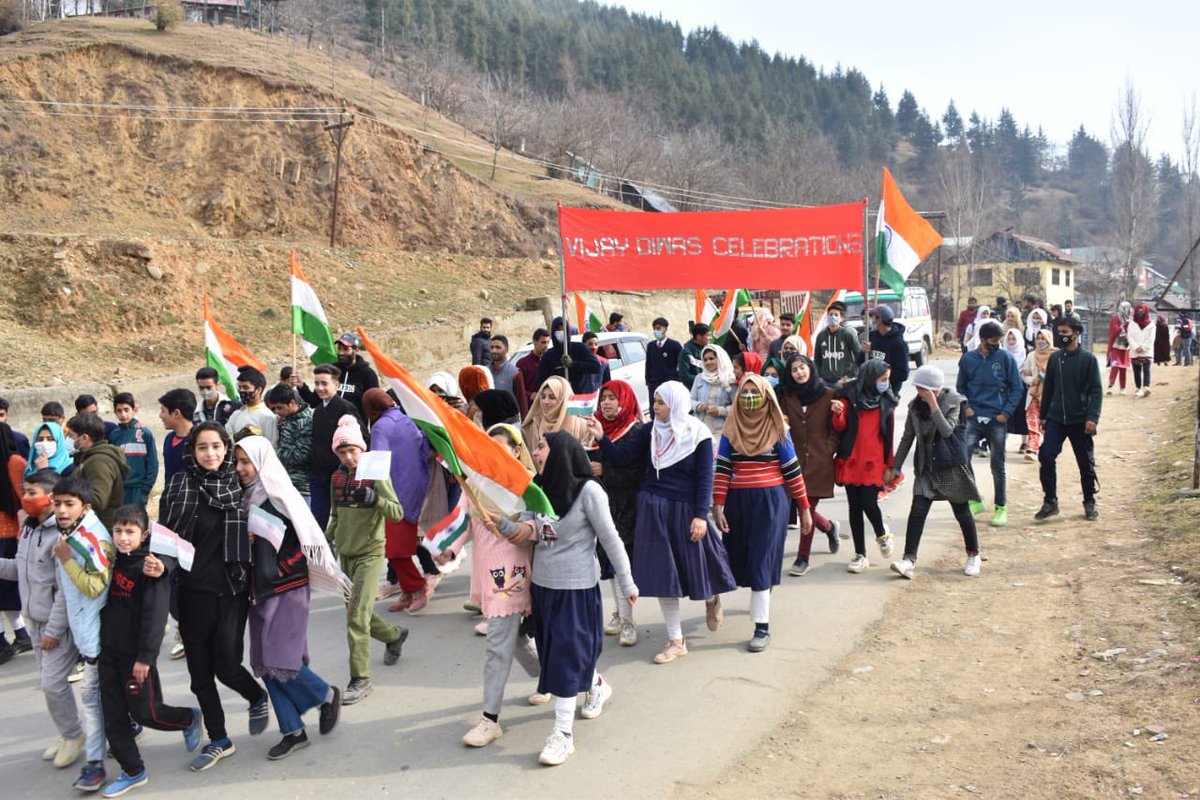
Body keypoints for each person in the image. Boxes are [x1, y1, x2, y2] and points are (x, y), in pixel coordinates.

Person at [496, 431, 637, 766]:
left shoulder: (590, 492)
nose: (535, 451)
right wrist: (497, 522)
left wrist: (628, 583)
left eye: (541, 446)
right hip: (544, 588)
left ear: (561, 452)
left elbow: (611, 540)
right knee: (557, 654)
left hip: (576, 590)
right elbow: (529, 531)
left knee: (562, 658)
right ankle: (597, 684)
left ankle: (562, 735)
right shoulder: (539, 490)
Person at [589, 382, 736, 666]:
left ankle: (711, 598)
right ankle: (675, 640)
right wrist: (601, 437)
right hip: (653, 509)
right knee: (663, 576)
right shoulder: (649, 431)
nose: (655, 408)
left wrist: (699, 516)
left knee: (699, 567)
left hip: (684, 510)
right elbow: (622, 457)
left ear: (676, 403)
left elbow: (705, 478)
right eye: (654, 402)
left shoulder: (698, 434)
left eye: (661, 402)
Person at [155, 422, 269, 772]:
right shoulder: (178, 485)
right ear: (192, 450)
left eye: (217, 447)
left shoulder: (240, 485)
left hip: (231, 590)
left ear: (226, 447)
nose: (211, 454)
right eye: (203, 447)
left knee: (228, 666)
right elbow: (164, 538)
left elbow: (272, 519)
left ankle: (256, 695)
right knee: (200, 674)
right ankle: (219, 739)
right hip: (191, 593)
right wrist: (158, 566)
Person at [233, 438, 345, 761]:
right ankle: (292, 731)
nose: (240, 468)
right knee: (268, 665)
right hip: (260, 591)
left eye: (246, 462)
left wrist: (275, 572)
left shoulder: (278, 498)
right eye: (237, 461)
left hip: (287, 589)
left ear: (261, 462)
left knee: (281, 658)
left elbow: (301, 544)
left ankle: (325, 694)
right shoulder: (246, 497)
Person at [97, 504, 202, 797]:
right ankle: (133, 771)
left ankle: (188, 718)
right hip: (108, 653)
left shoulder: (151, 567)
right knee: (113, 717)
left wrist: (145, 657)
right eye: (118, 531)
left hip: (136, 657)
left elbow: (155, 617)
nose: (123, 537)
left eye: (130, 531)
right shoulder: (112, 561)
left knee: (147, 713)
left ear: (144, 534)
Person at [450, 424, 541, 749]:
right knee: (514, 637)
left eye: (501, 447)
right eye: (489, 447)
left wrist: (518, 527)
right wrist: (450, 546)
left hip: (511, 572)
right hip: (485, 572)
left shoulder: (525, 485)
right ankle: (552, 678)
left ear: (517, 451)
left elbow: (541, 525)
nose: (494, 454)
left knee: (497, 644)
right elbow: (466, 521)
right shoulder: (477, 482)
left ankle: (490, 720)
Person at [712, 374, 811, 652]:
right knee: (734, 559)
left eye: (755, 392)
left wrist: (804, 508)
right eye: (745, 392)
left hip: (770, 503)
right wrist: (718, 504)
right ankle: (727, 599)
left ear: (767, 396)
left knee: (761, 561)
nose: (749, 398)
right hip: (737, 502)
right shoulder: (732, 430)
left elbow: (792, 471)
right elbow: (722, 468)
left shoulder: (778, 428)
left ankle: (761, 627)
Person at [0, 469, 88, 767]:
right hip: (34, 619)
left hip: (55, 625)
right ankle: (68, 732)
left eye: (32, 491)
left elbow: (65, 591)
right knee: (50, 684)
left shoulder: (62, 535)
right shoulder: (29, 529)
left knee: (53, 684)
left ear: (52, 498)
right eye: (24, 491)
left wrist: (53, 629)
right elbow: (20, 570)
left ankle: (75, 734)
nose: (25, 497)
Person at [325, 415, 409, 705]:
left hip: (370, 554)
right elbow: (336, 515)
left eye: (353, 451)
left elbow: (397, 512)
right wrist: (324, 541)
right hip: (345, 555)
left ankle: (360, 679)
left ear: (363, 449)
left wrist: (375, 499)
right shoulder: (337, 478)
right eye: (342, 452)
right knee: (355, 611)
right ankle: (394, 635)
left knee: (355, 617)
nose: (348, 457)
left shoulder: (376, 474)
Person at [49, 475, 114, 791]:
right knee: (108, 701)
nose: (61, 510)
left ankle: (94, 764)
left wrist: (65, 560)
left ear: (84, 506)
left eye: (68, 504)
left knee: (91, 702)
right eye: (57, 503)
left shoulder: (88, 539)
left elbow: (93, 586)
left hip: (97, 638)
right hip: (84, 634)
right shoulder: (69, 532)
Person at [886, 366, 983, 580]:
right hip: (926, 469)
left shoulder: (955, 403)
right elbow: (907, 438)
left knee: (962, 511)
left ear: (935, 389)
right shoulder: (914, 407)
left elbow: (947, 430)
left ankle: (973, 554)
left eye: (923, 389)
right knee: (917, 511)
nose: (920, 393)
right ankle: (908, 560)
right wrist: (896, 466)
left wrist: (933, 404)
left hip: (950, 466)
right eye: (918, 389)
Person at [360, 389, 431, 615]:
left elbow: (377, 462)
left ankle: (418, 588)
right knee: (401, 546)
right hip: (415, 488)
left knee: (395, 550)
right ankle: (407, 592)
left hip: (394, 494)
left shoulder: (381, 426)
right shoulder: (406, 420)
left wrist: (363, 487)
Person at [586, 380, 645, 647]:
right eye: (604, 398)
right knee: (607, 562)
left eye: (612, 397)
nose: (607, 402)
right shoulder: (596, 427)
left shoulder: (636, 430)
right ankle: (620, 613)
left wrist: (604, 469)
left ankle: (628, 621)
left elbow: (631, 469)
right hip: (603, 503)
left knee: (623, 563)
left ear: (626, 400)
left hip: (627, 505)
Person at [778, 355, 843, 576]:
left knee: (808, 508)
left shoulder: (828, 395)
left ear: (810, 368)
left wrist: (828, 448)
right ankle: (829, 527)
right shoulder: (787, 397)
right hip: (793, 461)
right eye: (794, 370)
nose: (799, 373)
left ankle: (802, 557)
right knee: (799, 506)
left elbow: (835, 429)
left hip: (819, 461)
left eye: (802, 368)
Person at [956, 320, 1023, 528]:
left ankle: (1001, 507)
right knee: (963, 458)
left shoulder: (1005, 358)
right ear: (983, 339)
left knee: (997, 465)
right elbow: (961, 387)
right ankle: (975, 498)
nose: (997, 344)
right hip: (974, 417)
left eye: (999, 340)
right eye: (994, 340)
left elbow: (1016, 388)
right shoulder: (968, 359)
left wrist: (1006, 413)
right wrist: (966, 407)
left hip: (997, 418)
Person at [1035, 316, 1103, 522]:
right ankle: (1050, 501)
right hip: (1056, 418)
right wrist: (1044, 415)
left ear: (1076, 333)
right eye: (1059, 332)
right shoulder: (1055, 359)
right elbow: (1049, 389)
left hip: (1080, 420)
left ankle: (1089, 501)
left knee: (1085, 462)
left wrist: (1092, 417)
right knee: (1046, 456)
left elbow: (1096, 391)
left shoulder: (1088, 359)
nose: (1061, 336)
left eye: (1065, 333)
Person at [833, 360, 896, 573]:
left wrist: (890, 465)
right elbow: (839, 427)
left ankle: (882, 534)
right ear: (870, 378)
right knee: (854, 506)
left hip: (873, 461)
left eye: (887, 379)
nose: (885, 384)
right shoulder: (849, 396)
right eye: (882, 379)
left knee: (869, 503)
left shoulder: (886, 402)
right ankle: (860, 554)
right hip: (851, 457)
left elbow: (889, 437)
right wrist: (838, 412)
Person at [309, 364, 366, 530]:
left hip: (341, 474)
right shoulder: (318, 410)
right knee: (317, 520)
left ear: (336, 385)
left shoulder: (346, 408)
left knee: (343, 521)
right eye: (317, 383)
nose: (320, 388)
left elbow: (363, 439)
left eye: (324, 383)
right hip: (319, 475)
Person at [66, 413, 129, 529]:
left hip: (100, 528)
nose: (68, 440)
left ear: (84, 438)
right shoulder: (87, 458)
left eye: (71, 436)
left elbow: (98, 500)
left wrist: (68, 497)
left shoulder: (98, 462)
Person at [0, 423, 30, 664]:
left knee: (8, 588)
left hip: (12, 533)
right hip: (10, 533)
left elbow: (25, 500)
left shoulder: (16, 463)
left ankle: (13, 637)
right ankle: (19, 634)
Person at [108, 393, 158, 506]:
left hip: (138, 489)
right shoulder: (114, 435)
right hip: (120, 490)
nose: (123, 414)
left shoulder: (145, 433)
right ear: (115, 412)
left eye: (126, 409)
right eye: (119, 411)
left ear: (134, 410)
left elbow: (152, 463)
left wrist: (146, 488)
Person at [265, 384, 313, 500]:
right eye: (274, 408)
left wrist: (272, 452)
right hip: (286, 483)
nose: (276, 412)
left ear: (292, 403)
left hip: (301, 487)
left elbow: (301, 455)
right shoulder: (287, 418)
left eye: (279, 408)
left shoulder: (305, 422)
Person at [521, 376, 593, 449]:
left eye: (552, 397)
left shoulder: (583, 427)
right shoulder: (534, 425)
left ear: (563, 400)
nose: (545, 402)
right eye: (543, 397)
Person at [536, 317, 602, 393]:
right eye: (558, 329)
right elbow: (540, 381)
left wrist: (573, 364)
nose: (561, 332)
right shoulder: (548, 355)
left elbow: (595, 367)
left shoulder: (580, 348)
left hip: (580, 396)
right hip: (560, 397)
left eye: (563, 329)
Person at [1021, 329, 1056, 463]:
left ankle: (1047, 449)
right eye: (1038, 338)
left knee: (1047, 424)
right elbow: (1025, 374)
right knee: (1032, 422)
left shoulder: (1056, 355)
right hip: (1033, 395)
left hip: (1050, 396)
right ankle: (1032, 449)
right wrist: (1032, 380)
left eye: (1044, 338)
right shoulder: (1031, 356)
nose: (1041, 341)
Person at [225, 366, 278, 446]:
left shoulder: (268, 417)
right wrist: (237, 437)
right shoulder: (236, 415)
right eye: (240, 387)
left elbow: (272, 446)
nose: (242, 391)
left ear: (258, 390)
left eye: (246, 387)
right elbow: (225, 441)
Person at [813, 300, 860, 387]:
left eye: (836, 315)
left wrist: (849, 375)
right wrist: (819, 376)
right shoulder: (821, 336)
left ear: (841, 318)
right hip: (825, 382)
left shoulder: (848, 334)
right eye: (830, 314)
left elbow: (859, 356)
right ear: (827, 317)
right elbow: (817, 359)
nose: (833, 317)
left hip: (844, 381)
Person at [690, 344, 735, 435]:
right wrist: (699, 406)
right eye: (705, 360)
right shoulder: (699, 378)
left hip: (721, 430)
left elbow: (736, 407)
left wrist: (720, 411)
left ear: (719, 359)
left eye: (711, 358)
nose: (708, 362)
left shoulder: (729, 379)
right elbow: (690, 400)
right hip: (700, 429)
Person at [332, 333, 381, 415]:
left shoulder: (368, 374)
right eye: (339, 349)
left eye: (345, 349)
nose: (341, 353)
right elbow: (315, 401)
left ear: (356, 350)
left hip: (356, 425)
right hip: (331, 424)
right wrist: (302, 386)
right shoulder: (332, 370)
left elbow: (374, 406)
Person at [157, 389, 196, 486]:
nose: (160, 415)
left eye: (163, 411)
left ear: (176, 413)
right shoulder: (169, 438)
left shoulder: (198, 441)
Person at [487, 335, 528, 420]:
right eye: (492, 347)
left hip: (508, 423)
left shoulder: (515, 373)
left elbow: (522, 403)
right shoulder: (484, 372)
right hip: (488, 424)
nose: (494, 350)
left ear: (506, 349)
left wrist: (525, 427)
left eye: (498, 347)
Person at [1002, 329, 1030, 447]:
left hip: (1021, 388)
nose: (1011, 341)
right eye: (1009, 339)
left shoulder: (1025, 353)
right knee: (1005, 415)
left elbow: (1027, 370)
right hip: (1006, 388)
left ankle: (1024, 443)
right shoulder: (1003, 353)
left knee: (1021, 415)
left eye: (1014, 339)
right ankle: (1002, 443)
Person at [646, 317, 683, 402]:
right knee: (654, 408)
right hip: (654, 383)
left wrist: (678, 379)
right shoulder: (651, 346)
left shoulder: (675, 345)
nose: (656, 331)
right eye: (655, 329)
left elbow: (681, 363)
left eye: (659, 328)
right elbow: (648, 364)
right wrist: (648, 380)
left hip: (670, 382)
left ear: (665, 329)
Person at [516, 329, 550, 406]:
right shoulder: (522, 363)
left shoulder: (550, 362)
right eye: (543, 342)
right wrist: (530, 395)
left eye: (548, 342)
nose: (546, 346)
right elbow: (517, 388)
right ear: (534, 341)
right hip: (530, 407)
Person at [1127, 303, 1155, 398]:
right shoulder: (1132, 324)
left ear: (1146, 312)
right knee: (1136, 370)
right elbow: (1129, 337)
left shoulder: (1151, 324)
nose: (1140, 313)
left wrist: (1143, 348)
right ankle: (1138, 388)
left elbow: (1151, 338)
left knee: (1146, 369)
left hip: (1146, 351)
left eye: (1142, 311)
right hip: (1135, 351)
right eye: (1138, 311)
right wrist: (1136, 347)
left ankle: (1146, 387)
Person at [1106, 301, 1133, 395]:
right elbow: (1114, 330)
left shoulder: (1130, 319)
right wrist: (1123, 327)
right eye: (1127, 308)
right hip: (1116, 345)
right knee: (1115, 366)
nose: (1128, 310)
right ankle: (1110, 386)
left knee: (1123, 368)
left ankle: (1122, 388)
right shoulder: (1115, 317)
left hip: (1126, 346)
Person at [677, 322, 711, 389]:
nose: (710, 338)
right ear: (699, 337)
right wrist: (704, 379)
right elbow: (685, 377)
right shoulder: (686, 352)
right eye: (708, 335)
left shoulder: (708, 350)